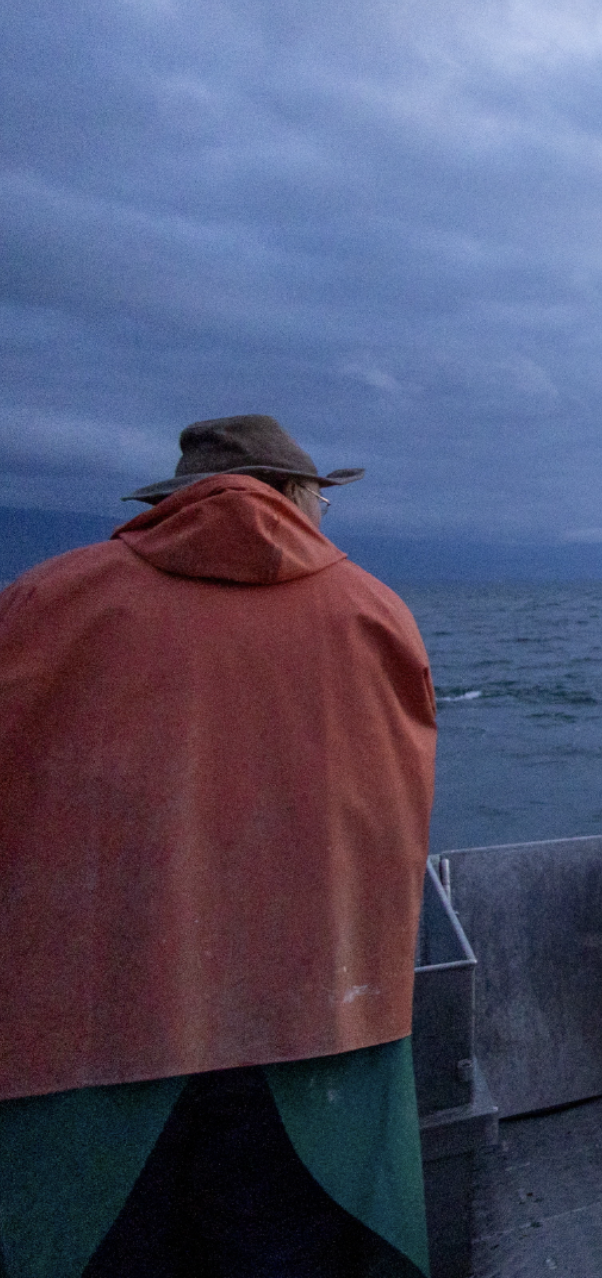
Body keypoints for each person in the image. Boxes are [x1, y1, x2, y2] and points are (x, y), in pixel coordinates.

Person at [0, 415, 438, 1278]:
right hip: (317, 1027)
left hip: (89, 1038)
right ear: (291, 496)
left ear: (176, 501)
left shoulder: (45, 602)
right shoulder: (374, 613)